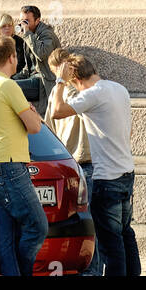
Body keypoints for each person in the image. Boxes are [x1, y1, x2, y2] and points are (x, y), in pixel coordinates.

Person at [51, 54, 140, 277]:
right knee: (126, 233)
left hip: (107, 177)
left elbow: (56, 111)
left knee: (111, 244)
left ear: (76, 80)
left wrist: (59, 81)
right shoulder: (119, 89)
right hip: (127, 171)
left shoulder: (91, 95)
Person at [0, 35, 48, 277]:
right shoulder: (8, 85)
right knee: (37, 226)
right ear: (11, 57)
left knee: (7, 235)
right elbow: (35, 127)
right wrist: (32, 113)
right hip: (9, 166)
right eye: (16, 55)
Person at [46, 47, 101, 277]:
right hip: (83, 161)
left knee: (84, 222)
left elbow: (49, 127)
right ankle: (91, 270)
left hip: (74, 162)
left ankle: (90, 270)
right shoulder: (88, 92)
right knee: (92, 223)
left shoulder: (73, 94)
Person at [16, 6, 59, 116]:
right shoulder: (29, 34)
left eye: (27, 21)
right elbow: (29, 66)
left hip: (44, 80)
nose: (23, 24)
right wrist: (10, 77)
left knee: (8, 88)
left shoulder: (46, 34)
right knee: (4, 83)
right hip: (33, 77)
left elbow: (41, 54)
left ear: (37, 20)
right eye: (22, 21)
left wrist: (27, 34)